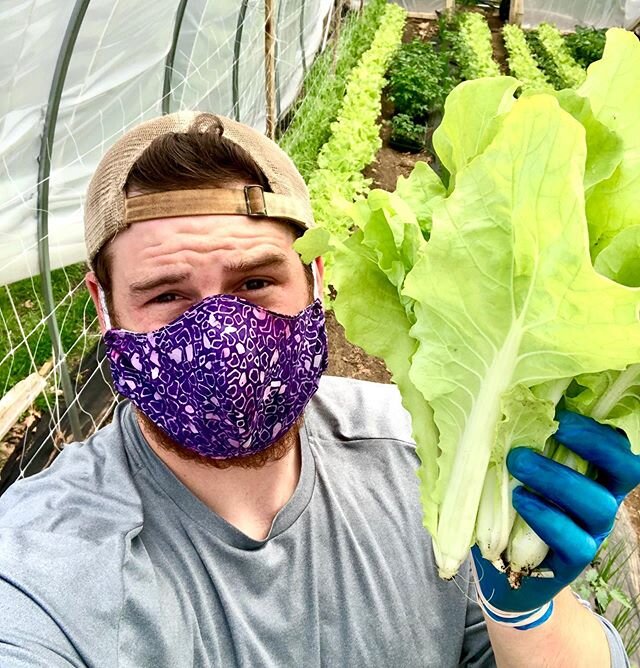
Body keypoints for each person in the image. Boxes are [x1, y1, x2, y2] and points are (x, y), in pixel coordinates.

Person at [0, 111, 637, 667]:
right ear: (104, 309)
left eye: (255, 283)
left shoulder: (430, 459)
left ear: (316, 279)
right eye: (168, 295)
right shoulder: (42, 566)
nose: (224, 338)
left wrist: (526, 619)